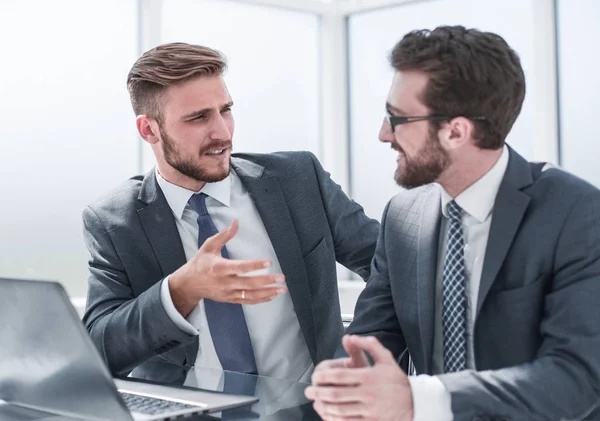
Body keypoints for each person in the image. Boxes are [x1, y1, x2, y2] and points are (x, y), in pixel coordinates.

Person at [305, 25, 600, 421]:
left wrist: (421, 399)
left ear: (456, 131)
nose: (382, 134)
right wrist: (344, 381)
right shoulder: (402, 218)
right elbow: (371, 343)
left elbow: (578, 378)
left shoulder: (577, 214)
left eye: (397, 118)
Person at [82, 42, 379, 384]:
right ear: (149, 130)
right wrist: (180, 291)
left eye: (225, 110)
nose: (222, 132)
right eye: (198, 117)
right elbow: (99, 350)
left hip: (309, 408)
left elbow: (387, 266)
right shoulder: (115, 221)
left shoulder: (298, 180)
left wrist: (361, 351)